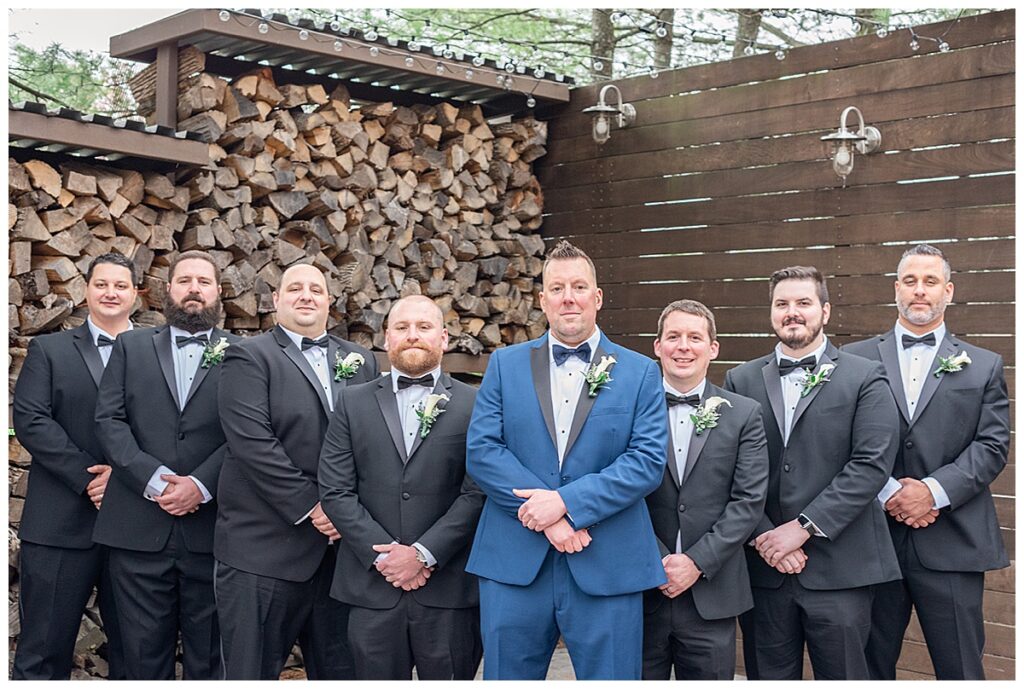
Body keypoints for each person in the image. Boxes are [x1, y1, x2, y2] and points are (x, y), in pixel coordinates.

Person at [466, 240, 667, 680]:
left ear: (597, 297)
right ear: (542, 300)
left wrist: (566, 505)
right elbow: (483, 450)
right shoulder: (504, 364)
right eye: (557, 288)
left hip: (607, 560)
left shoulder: (640, 372)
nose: (568, 297)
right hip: (515, 563)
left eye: (579, 286)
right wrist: (547, 516)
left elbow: (646, 460)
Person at [723, 265, 900, 680]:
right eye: (782, 304)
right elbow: (728, 469)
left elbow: (871, 464)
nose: (792, 312)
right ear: (771, 313)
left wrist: (802, 528)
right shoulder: (740, 380)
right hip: (765, 570)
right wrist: (767, 537)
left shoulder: (865, 376)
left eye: (803, 303)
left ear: (825, 310)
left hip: (842, 569)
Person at [843, 244, 1009, 680]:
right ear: (896, 289)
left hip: (953, 542)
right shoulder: (854, 359)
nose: (920, 291)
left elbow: (991, 446)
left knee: (960, 669)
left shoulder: (985, 365)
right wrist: (888, 492)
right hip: (872, 543)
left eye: (930, 281)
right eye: (911, 281)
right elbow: (839, 440)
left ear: (948, 291)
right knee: (868, 666)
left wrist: (932, 493)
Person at [214, 263, 378, 680]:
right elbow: (252, 443)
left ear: (329, 301)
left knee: (344, 674)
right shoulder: (248, 356)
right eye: (295, 288)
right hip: (264, 554)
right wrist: (314, 507)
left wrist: (353, 517)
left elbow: (375, 445)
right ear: (276, 301)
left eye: (316, 289)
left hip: (342, 559)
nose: (306, 295)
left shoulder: (360, 361)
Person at [318, 295, 485, 680]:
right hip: (371, 589)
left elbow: (477, 491)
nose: (413, 336)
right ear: (386, 338)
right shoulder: (351, 403)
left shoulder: (474, 404)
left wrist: (424, 554)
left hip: (447, 591)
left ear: (444, 338)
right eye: (402, 327)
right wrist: (386, 558)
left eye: (424, 327)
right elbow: (336, 490)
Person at [93, 250, 236, 679]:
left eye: (203, 282)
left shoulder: (244, 354)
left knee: (211, 656)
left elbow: (248, 432)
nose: (194, 289)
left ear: (218, 293)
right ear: (166, 290)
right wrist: (154, 480)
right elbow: (109, 420)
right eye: (185, 280)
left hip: (213, 531)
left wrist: (202, 485)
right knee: (139, 656)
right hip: (136, 527)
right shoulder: (130, 346)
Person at [11, 253, 132, 680]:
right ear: (86, 291)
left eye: (120, 285)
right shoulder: (50, 349)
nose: (110, 292)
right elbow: (30, 420)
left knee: (138, 654)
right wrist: (89, 479)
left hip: (136, 527)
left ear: (136, 293)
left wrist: (124, 478)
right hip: (59, 523)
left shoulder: (156, 352)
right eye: (101, 284)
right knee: (43, 651)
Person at [643, 299, 768, 681]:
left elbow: (747, 501)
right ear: (658, 346)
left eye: (695, 337)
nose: (684, 346)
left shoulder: (744, 413)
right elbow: (620, 492)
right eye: (674, 337)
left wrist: (695, 563)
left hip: (712, 593)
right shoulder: (630, 408)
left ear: (713, 348)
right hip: (642, 589)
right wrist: (658, 561)